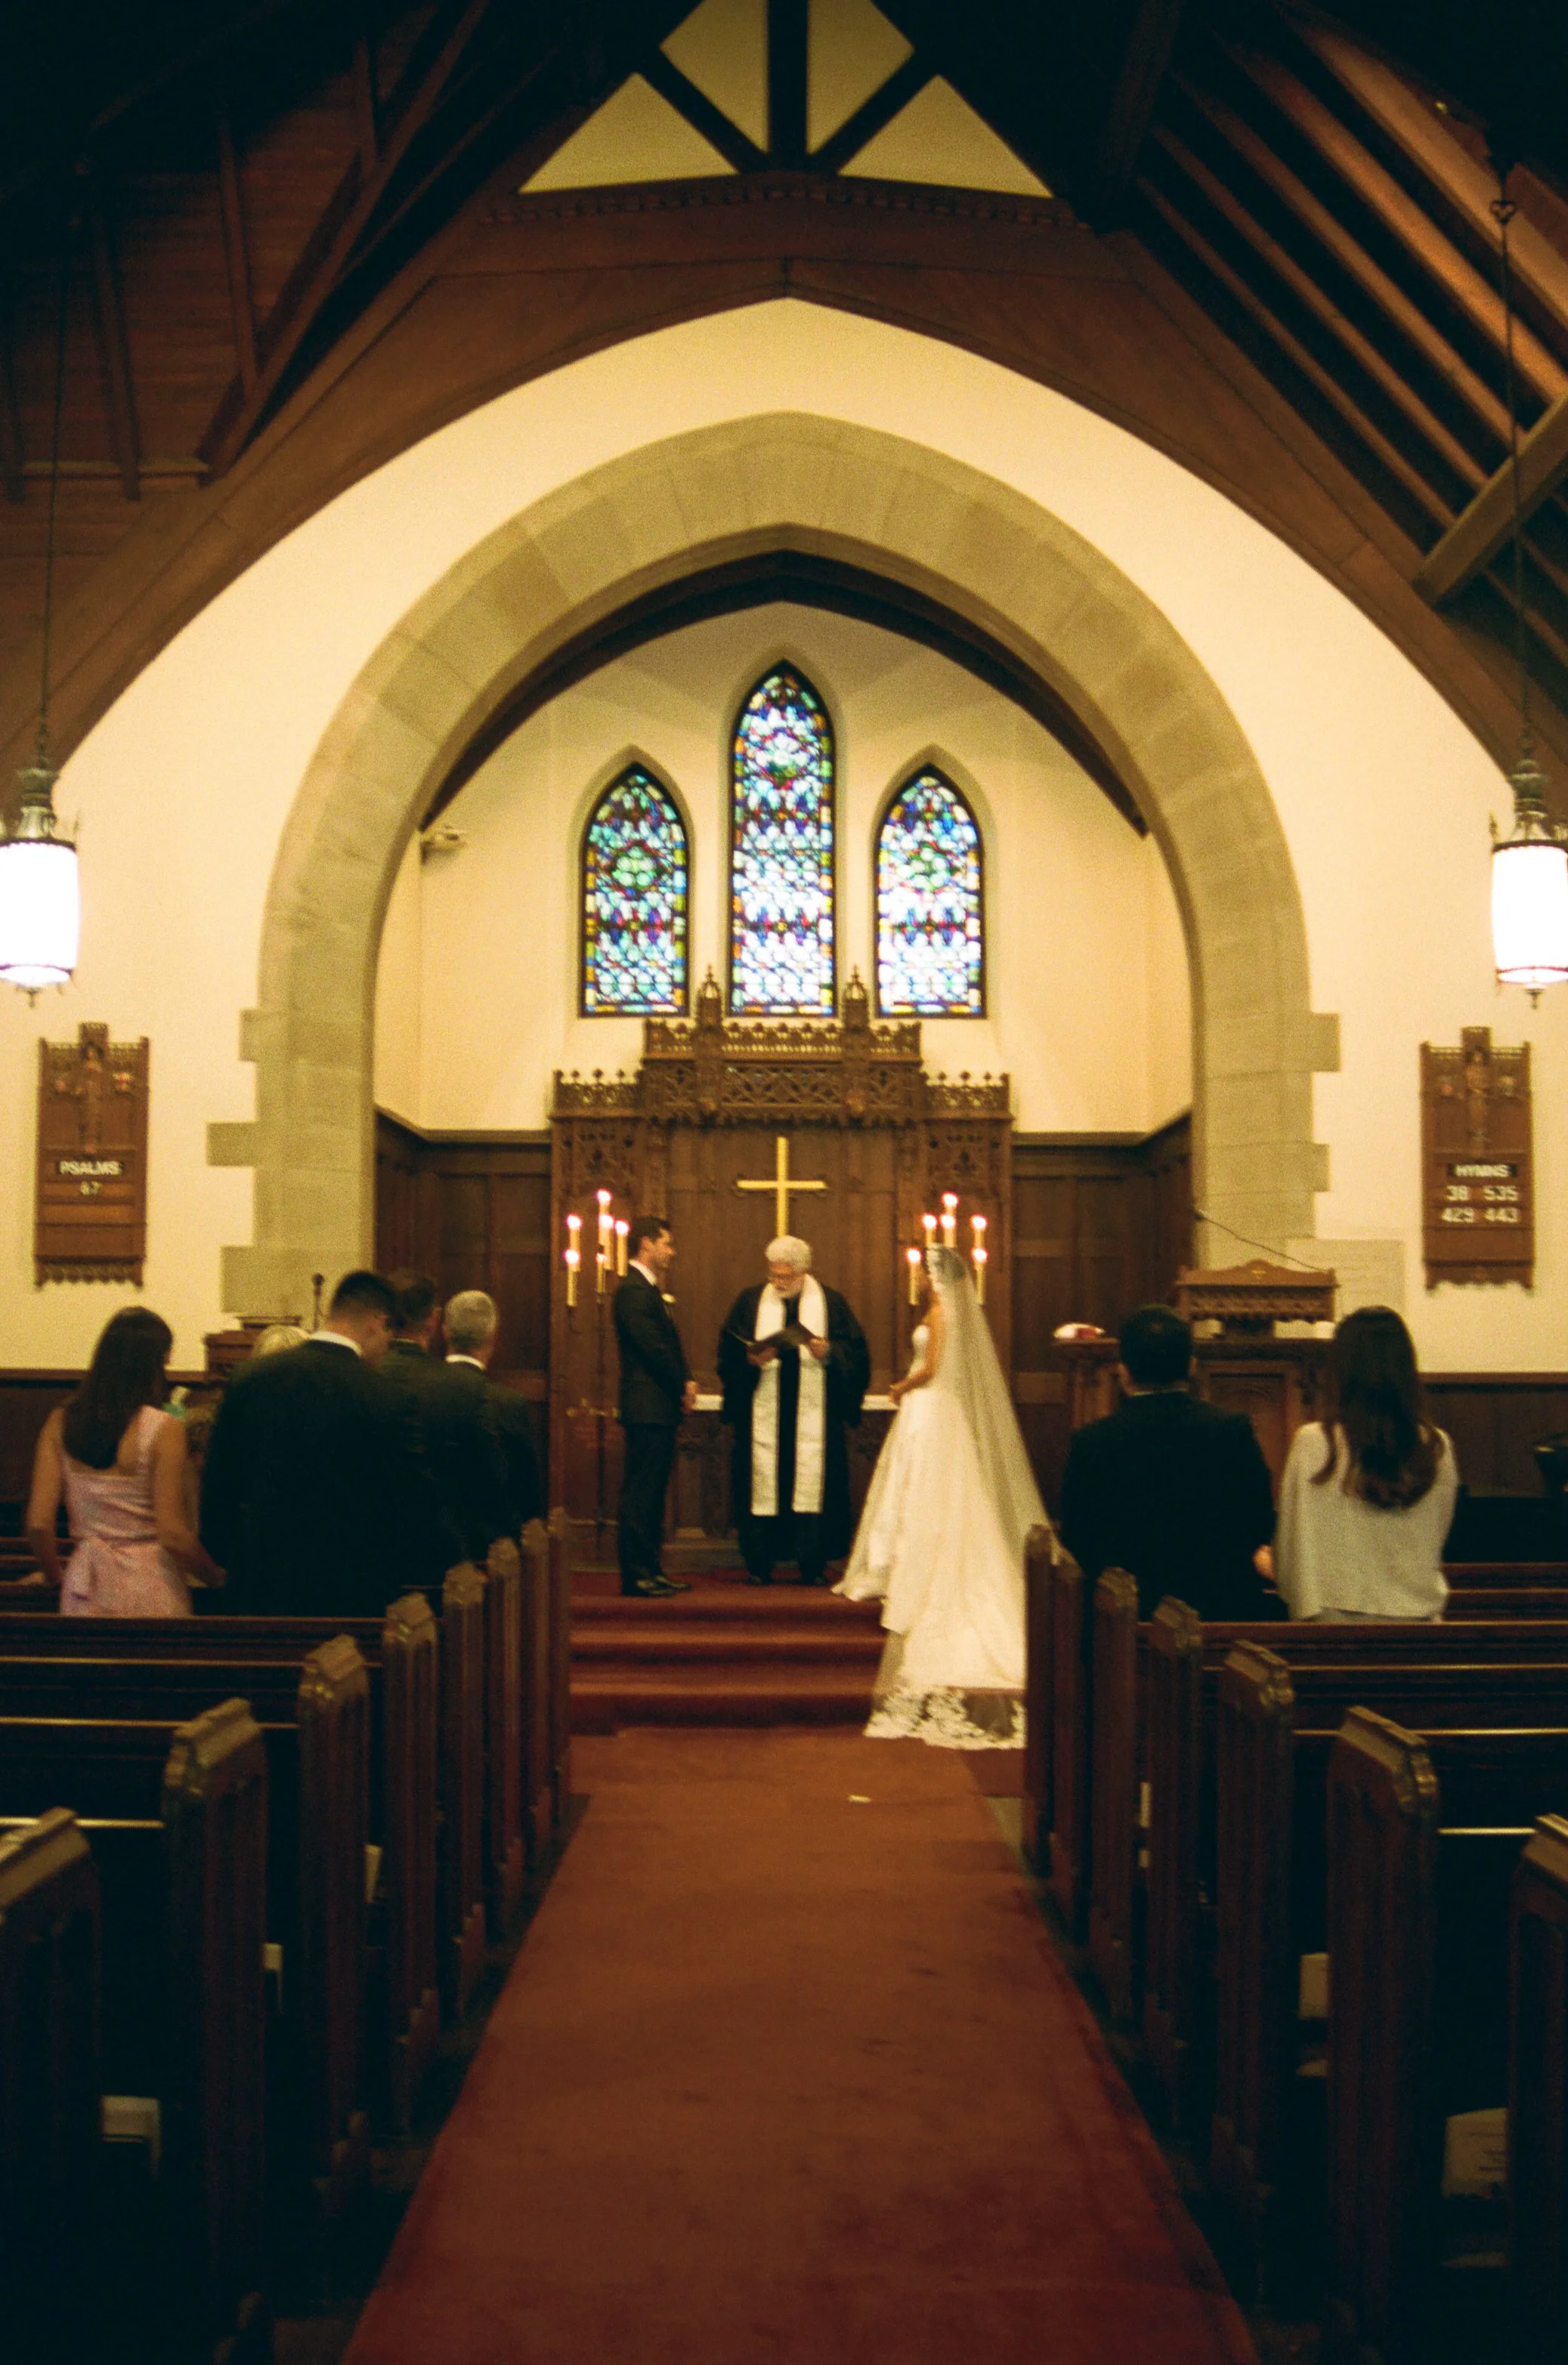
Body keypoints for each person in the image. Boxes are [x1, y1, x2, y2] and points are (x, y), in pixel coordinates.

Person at [837, 1246, 1047, 1747]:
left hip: (928, 1406)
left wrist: (900, 1385)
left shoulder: (940, 1311)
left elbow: (931, 1367)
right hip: (934, 1411)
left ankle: (907, 1569)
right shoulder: (953, 1310)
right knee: (926, 1490)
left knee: (920, 1490)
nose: (923, 1278)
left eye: (927, 1271)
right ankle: (905, 1562)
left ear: (938, 1276)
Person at [199, 1268, 451, 1615]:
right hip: (349, 1602)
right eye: (390, 1339)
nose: (386, 1352)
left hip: (258, 1596)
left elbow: (216, 1499)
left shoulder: (249, 1380)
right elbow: (415, 1506)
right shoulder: (386, 1399)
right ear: (378, 1322)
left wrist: (242, 1562)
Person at [1059, 1303, 1277, 1621]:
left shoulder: (1092, 1443)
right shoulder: (1232, 1432)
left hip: (1123, 1620)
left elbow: (1078, 1541)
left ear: (1124, 1372)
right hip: (1220, 1612)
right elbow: (1259, 1523)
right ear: (1191, 1366)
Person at [26, 1306, 221, 1615]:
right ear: (151, 1366)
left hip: (85, 1585)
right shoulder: (162, 1429)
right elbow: (173, 1535)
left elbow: (38, 1524)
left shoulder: (60, 1423)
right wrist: (216, 1577)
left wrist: (54, 1576)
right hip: (151, 1585)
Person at [1271, 1305, 1458, 1621]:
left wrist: (1280, 1572)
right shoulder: (1435, 1446)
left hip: (1331, 1628)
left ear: (1341, 1371)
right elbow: (1437, 1538)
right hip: (1417, 1627)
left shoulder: (1316, 1442)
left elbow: (1291, 1550)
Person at [717, 1235, 870, 1587]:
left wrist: (829, 1353)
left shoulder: (830, 1303)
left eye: (785, 1276)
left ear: (804, 1271)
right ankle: (759, 1563)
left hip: (815, 1420)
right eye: (773, 1275)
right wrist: (751, 1361)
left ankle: (812, 1564)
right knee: (761, 1483)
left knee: (812, 1485)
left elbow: (857, 1355)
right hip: (762, 1415)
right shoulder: (750, 1301)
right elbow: (728, 1352)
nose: (778, 1283)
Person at [381, 1271, 510, 1564]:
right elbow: (491, 1476)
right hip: (443, 1549)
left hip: (373, 1549)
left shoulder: (364, 1376)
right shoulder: (462, 1387)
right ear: (434, 1320)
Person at [613, 1217, 694, 1598]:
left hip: (656, 1407)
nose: (671, 1251)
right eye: (667, 1243)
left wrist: (685, 1381)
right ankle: (636, 1574)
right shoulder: (633, 1291)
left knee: (652, 1493)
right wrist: (682, 1383)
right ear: (647, 1244)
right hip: (647, 1406)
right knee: (641, 1493)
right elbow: (653, 1348)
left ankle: (652, 1568)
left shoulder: (647, 1290)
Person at [444, 1288, 544, 1534]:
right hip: (493, 1539)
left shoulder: (418, 1393)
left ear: (445, 1332)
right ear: (492, 1337)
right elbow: (527, 1487)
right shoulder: (509, 1404)